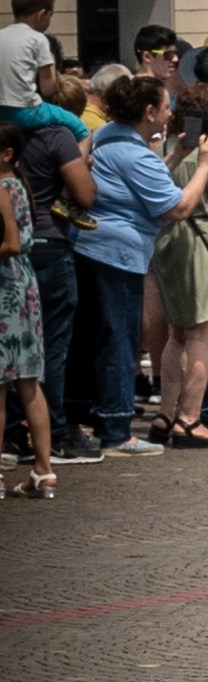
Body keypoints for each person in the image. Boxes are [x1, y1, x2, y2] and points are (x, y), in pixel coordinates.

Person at [71, 74, 208, 453]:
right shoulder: (134, 154)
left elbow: (143, 184)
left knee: (100, 337)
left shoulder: (109, 135)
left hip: (93, 247)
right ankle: (117, 427)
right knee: (119, 340)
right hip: (115, 254)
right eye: (166, 105)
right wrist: (204, 165)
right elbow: (178, 207)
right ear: (149, 111)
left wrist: (176, 157)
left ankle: (94, 417)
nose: (171, 112)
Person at [147, 112, 208, 449]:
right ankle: (190, 419)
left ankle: (164, 415)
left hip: (168, 243)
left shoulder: (165, 150)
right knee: (201, 334)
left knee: (176, 333)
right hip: (203, 245)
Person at [15, 71, 99, 462]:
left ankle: (15, 431)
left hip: (11, 247)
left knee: (15, 346)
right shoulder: (58, 135)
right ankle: (56, 432)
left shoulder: (7, 134)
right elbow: (84, 193)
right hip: (50, 243)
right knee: (53, 347)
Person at [0, 126, 56, 498]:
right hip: (23, 286)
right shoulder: (20, 186)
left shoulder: (3, 188)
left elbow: (11, 243)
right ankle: (43, 470)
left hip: (4, 286)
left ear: (6, 153)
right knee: (28, 381)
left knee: (2, 386)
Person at [0, 0, 59, 131]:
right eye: (50, 16)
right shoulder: (38, 39)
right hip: (26, 112)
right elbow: (48, 89)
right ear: (41, 15)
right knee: (81, 129)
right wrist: (52, 60)